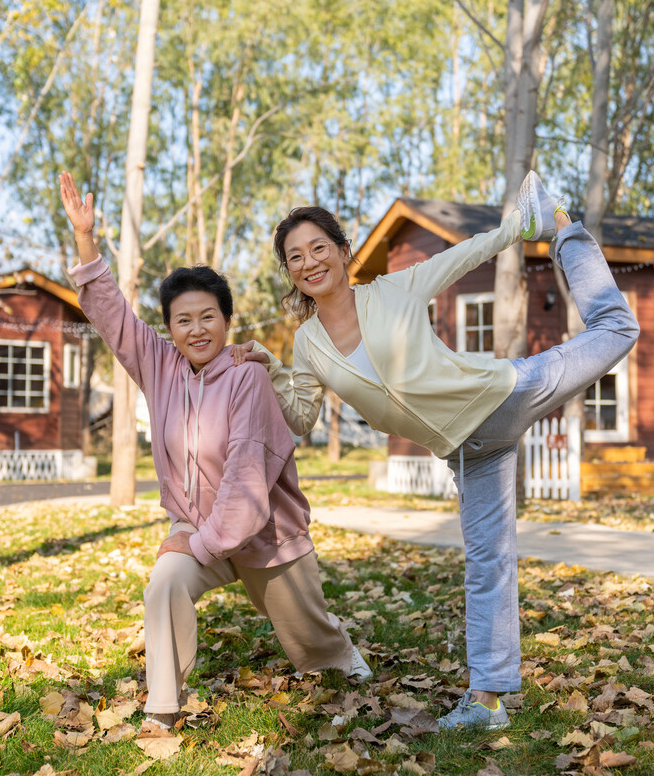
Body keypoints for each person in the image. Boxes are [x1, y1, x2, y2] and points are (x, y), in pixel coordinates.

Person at [232, 171, 640, 730]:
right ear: (290, 272)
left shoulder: (394, 289)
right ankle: (488, 703)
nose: (309, 263)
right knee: (486, 565)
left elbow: (465, 255)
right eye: (295, 257)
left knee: (618, 328)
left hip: (506, 393)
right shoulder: (308, 345)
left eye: (318, 248)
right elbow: (301, 417)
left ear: (344, 251)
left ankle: (565, 228)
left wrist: (528, 225)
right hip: (470, 452)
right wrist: (270, 368)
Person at [58, 172, 371, 736]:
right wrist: (86, 241)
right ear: (171, 328)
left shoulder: (247, 378)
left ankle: (346, 656)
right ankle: (162, 708)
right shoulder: (159, 366)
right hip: (203, 533)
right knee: (165, 583)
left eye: (208, 317)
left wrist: (195, 539)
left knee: (316, 648)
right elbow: (112, 316)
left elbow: (246, 485)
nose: (196, 329)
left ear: (226, 321)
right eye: (184, 319)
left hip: (265, 533)